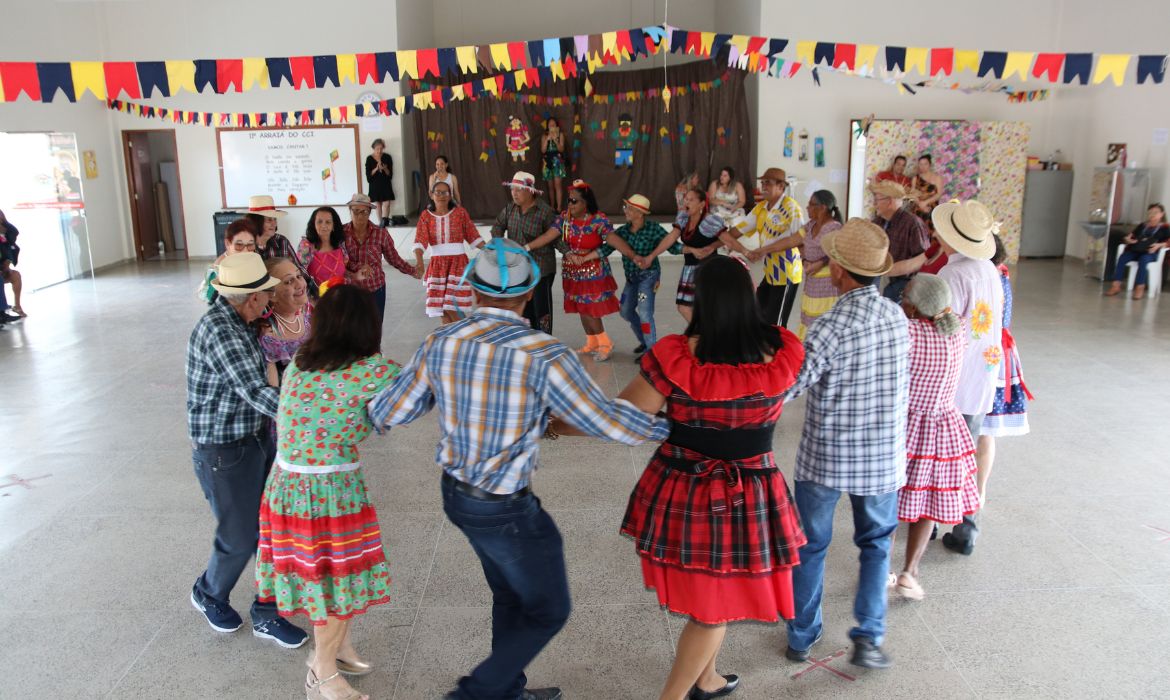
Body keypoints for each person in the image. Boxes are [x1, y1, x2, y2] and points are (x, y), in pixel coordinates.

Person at [368, 238, 671, 700]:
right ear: (529, 294)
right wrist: (670, 428)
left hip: (457, 496)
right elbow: (607, 421)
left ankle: (506, 689)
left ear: (471, 289)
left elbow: (390, 412)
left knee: (511, 593)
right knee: (549, 608)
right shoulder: (545, 354)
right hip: (504, 508)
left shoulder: (440, 342)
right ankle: (476, 693)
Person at [613, 256, 806, 700]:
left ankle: (682, 691)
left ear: (698, 299)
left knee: (710, 601)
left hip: (686, 487)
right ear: (749, 295)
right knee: (713, 597)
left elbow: (627, 415)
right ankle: (704, 679)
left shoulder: (676, 357)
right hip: (753, 490)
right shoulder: (782, 350)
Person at [256, 284, 398, 700]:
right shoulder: (372, 370)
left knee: (326, 576)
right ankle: (321, 672)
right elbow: (410, 391)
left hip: (286, 487)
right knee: (335, 580)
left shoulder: (301, 361)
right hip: (329, 492)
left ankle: (337, 648)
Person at [782, 219, 908, 669]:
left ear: (838, 269)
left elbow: (792, 385)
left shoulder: (830, 324)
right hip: (881, 459)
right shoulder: (897, 316)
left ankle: (801, 634)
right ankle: (869, 637)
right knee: (877, 545)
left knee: (810, 545)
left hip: (826, 458)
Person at [186, 252, 308, 650]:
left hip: (256, 439)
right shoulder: (220, 330)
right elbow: (256, 392)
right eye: (266, 293)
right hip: (223, 451)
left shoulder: (243, 321)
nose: (271, 299)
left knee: (273, 531)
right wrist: (316, 415)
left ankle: (267, 613)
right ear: (248, 298)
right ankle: (208, 591)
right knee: (240, 536)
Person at [894, 274, 979, 601]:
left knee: (890, 499)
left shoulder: (909, 332)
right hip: (944, 426)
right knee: (929, 502)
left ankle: (879, 568)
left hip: (907, 425)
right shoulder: (958, 328)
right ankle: (910, 571)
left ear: (913, 308)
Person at [933, 199, 1004, 556]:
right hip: (985, 370)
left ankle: (928, 520)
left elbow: (945, 328)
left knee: (939, 454)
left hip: (955, 377)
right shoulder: (989, 269)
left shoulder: (952, 274)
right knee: (970, 451)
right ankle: (967, 526)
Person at [977, 235, 1033, 504]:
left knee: (975, 426)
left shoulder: (986, 278)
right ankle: (979, 492)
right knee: (986, 431)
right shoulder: (1001, 274)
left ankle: (968, 492)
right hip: (1000, 350)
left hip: (986, 352)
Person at [553, 179, 635, 362]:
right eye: (569, 200)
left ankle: (605, 343)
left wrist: (631, 254)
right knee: (581, 309)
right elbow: (550, 236)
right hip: (573, 271)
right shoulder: (565, 218)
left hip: (593, 270)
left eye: (574, 201)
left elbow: (611, 239)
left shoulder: (598, 219)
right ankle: (592, 342)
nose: (570, 204)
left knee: (590, 309)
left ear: (586, 203)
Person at [647, 188, 748, 324]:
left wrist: (746, 252)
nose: (686, 202)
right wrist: (652, 256)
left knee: (708, 306)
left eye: (691, 199)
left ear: (701, 204)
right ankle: (704, 332)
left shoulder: (709, 221)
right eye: (686, 199)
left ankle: (711, 334)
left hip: (708, 269)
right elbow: (670, 238)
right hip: (689, 268)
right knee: (683, 307)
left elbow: (728, 240)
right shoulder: (683, 219)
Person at [601, 194, 680, 355]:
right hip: (632, 278)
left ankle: (652, 352)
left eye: (629, 208)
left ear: (640, 213)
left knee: (645, 313)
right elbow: (605, 249)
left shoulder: (653, 229)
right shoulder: (623, 231)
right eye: (626, 207)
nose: (626, 211)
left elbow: (673, 247)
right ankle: (645, 341)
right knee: (625, 310)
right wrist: (583, 256)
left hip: (649, 276)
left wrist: (692, 250)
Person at [731, 167, 805, 328]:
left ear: (781, 187)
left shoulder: (791, 208)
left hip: (787, 273)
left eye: (768, 183)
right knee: (758, 314)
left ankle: (778, 352)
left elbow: (801, 239)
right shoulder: (761, 208)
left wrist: (762, 250)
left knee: (777, 326)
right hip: (770, 272)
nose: (763, 186)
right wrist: (718, 239)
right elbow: (736, 231)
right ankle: (764, 349)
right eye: (762, 183)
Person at [490, 171, 561, 333]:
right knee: (523, 307)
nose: (514, 193)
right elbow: (498, 225)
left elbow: (556, 237)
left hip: (541, 268)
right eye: (512, 189)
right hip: (518, 268)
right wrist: (499, 243)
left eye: (518, 189)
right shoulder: (510, 209)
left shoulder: (545, 211)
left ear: (530, 191)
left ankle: (545, 341)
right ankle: (529, 340)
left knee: (541, 309)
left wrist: (570, 253)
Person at [342, 193, 421, 323]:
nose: (360, 216)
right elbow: (338, 261)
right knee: (352, 331)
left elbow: (393, 258)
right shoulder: (341, 233)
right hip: (350, 290)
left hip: (375, 289)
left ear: (369, 213)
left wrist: (412, 271)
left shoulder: (380, 233)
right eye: (356, 211)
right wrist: (357, 269)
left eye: (364, 212)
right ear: (349, 211)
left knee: (374, 330)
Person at [413, 180, 484, 323]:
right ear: (431, 195)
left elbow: (473, 235)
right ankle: (449, 340)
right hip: (437, 266)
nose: (441, 196)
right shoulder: (425, 216)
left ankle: (461, 337)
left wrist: (492, 250)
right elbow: (420, 241)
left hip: (457, 264)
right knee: (443, 311)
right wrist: (419, 262)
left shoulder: (460, 213)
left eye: (445, 192)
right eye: (437, 192)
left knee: (453, 307)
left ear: (450, 195)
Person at [796, 190, 844, 340]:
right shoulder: (811, 225)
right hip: (811, 283)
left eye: (811, 204)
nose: (807, 207)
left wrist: (819, 263)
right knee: (808, 321)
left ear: (822, 208)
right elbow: (796, 242)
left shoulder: (834, 228)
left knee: (822, 324)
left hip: (827, 285)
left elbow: (836, 253)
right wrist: (805, 261)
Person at [870, 180, 928, 302]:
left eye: (877, 200)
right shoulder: (877, 222)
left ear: (889, 201)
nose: (874, 204)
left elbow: (924, 259)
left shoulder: (912, 224)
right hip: (878, 279)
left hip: (902, 286)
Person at [259, 257, 312, 382]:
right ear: (271, 295)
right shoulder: (268, 334)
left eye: (299, 276)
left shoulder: (310, 314)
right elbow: (272, 389)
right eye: (288, 281)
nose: (300, 284)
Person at [1105, 203, 1169, 299]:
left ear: (1162, 214)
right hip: (1137, 249)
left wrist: (1158, 245)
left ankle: (1140, 287)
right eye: (1150, 212)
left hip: (1151, 252)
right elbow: (1131, 236)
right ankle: (1116, 285)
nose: (1152, 215)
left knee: (1143, 259)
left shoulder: (1165, 227)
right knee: (1123, 257)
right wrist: (1128, 240)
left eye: (1155, 212)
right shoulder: (1143, 225)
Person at [198, 218, 258, 304]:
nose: (245, 250)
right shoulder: (219, 269)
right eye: (239, 245)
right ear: (227, 243)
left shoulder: (251, 259)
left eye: (250, 244)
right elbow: (212, 303)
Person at [298, 206, 350, 290]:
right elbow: (300, 276)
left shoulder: (340, 243)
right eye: (319, 222)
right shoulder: (306, 245)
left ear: (334, 225)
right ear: (314, 224)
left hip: (339, 296)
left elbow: (343, 273)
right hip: (317, 300)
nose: (323, 225)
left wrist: (356, 275)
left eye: (328, 222)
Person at [0, 209, 26, 321]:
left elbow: (14, 232)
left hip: (2, 269)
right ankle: (2, 312)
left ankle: (17, 306)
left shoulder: (5, 237)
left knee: (16, 276)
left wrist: (7, 266)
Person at [366, 138, 395, 228]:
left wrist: (385, 168)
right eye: (377, 149)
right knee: (378, 204)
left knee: (387, 203)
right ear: (373, 148)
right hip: (375, 184)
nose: (379, 151)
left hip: (385, 183)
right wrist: (376, 168)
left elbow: (390, 174)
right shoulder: (369, 159)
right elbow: (368, 175)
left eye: (381, 148)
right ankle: (380, 224)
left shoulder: (387, 157)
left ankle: (384, 221)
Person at [540, 118, 567, 211]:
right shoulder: (544, 136)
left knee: (558, 185)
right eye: (550, 125)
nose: (552, 126)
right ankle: (552, 206)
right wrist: (547, 140)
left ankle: (559, 207)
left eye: (553, 124)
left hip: (557, 161)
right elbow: (543, 150)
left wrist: (555, 140)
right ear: (547, 127)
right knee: (550, 186)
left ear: (557, 126)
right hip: (547, 161)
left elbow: (561, 149)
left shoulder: (560, 135)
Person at [910, 154, 945, 225]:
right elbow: (912, 194)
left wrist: (925, 203)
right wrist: (920, 204)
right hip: (918, 205)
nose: (923, 167)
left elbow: (939, 194)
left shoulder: (937, 178)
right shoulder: (915, 178)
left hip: (932, 206)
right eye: (921, 164)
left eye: (925, 164)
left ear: (930, 165)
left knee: (930, 222)